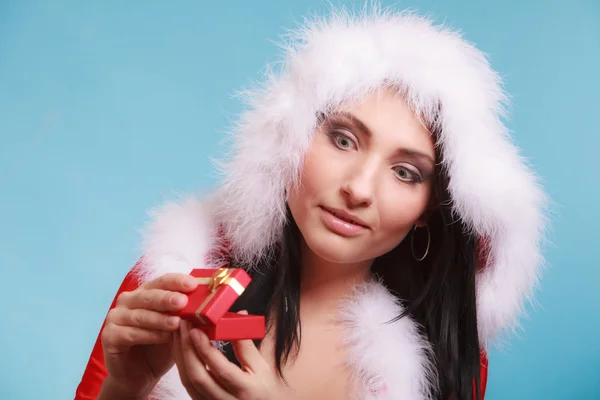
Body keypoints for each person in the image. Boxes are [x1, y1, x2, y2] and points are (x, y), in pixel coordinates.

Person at [75, 6, 548, 400]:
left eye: (405, 172)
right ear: (291, 137)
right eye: (343, 140)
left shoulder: (445, 356)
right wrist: (125, 387)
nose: (359, 189)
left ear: (429, 209)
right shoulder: (178, 273)